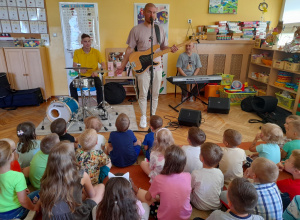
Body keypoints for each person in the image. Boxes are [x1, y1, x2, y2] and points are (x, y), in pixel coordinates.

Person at [115, 3, 178, 128]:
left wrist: (171, 49)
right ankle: (144, 116)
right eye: (149, 12)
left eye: (154, 12)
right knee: (143, 94)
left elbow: (163, 47)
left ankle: (153, 116)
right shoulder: (136, 29)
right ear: (143, 12)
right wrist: (122, 65)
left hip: (157, 66)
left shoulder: (160, 29)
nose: (152, 15)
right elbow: (129, 49)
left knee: (155, 94)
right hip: (142, 67)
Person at [40, 141, 105, 220]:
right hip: (75, 216)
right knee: (101, 187)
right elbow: (91, 195)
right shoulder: (81, 175)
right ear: (72, 159)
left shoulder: (46, 178)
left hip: (51, 217)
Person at [144, 145, 192, 220]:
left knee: (141, 193)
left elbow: (147, 197)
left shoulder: (159, 179)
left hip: (164, 217)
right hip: (186, 217)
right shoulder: (188, 176)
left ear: (165, 162)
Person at [0, 139, 40, 220]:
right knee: (40, 192)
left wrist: (20, 190)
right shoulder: (18, 176)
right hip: (15, 212)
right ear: (11, 156)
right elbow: (23, 201)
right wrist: (33, 207)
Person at [70, 33, 106, 105]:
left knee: (100, 86)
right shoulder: (77, 52)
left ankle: (100, 106)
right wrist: (79, 70)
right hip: (83, 76)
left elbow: (103, 65)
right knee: (72, 85)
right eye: (85, 41)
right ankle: (75, 106)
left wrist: (97, 72)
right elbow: (74, 66)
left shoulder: (96, 52)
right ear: (81, 42)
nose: (87, 43)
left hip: (94, 76)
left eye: (89, 41)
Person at [191, 142, 224, 211]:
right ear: (218, 161)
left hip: (199, 205)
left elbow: (190, 188)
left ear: (201, 158)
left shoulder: (195, 173)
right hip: (216, 205)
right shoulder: (220, 172)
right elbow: (220, 188)